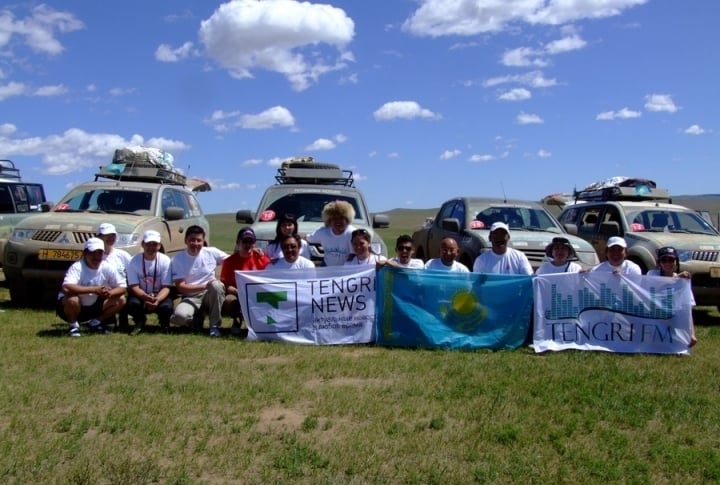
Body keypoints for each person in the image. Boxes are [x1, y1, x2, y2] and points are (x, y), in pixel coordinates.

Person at [57, 237, 127, 337]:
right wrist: (94, 290)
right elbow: (66, 287)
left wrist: (109, 293)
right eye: (92, 253)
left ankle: (95, 323)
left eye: (99, 253)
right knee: (72, 299)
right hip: (73, 306)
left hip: (94, 305)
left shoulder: (107, 267)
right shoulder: (77, 267)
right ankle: (73, 326)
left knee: (121, 299)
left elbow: (122, 287)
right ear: (85, 254)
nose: (96, 257)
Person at [170, 225, 228, 337]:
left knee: (216, 285)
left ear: (203, 241)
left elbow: (232, 261)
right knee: (180, 317)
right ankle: (194, 320)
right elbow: (181, 286)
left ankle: (214, 327)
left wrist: (251, 251)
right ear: (185, 240)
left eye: (199, 240)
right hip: (190, 297)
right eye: (192, 240)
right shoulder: (177, 259)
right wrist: (205, 286)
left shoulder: (212, 252)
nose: (195, 244)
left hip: (210, 295)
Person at [220, 227, 270, 335]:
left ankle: (262, 323)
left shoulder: (262, 259)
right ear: (238, 242)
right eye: (245, 241)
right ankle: (237, 319)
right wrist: (240, 292)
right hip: (238, 293)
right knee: (229, 300)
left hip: (258, 292)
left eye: (251, 241)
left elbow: (269, 278)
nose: (248, 244)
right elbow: (227, 285)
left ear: (254, 243)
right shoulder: (229, 262)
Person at [125, 230, 174, 334]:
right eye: (148, 244)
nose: (151, 247)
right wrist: (145, 297)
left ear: (159, 245)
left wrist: (157, 299)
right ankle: (139, 321)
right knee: (132, 304)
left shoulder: (166, 261)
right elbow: (134, 286)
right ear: (143, 244)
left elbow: (166, 286)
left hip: (159, 294)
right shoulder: (133, 261)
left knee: (167, 306)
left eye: (155, 244)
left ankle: (164, 323)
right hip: (141, 294)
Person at [648, 246, 697, 346]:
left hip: (673, 321)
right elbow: (656, 287)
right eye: (664, 260)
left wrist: (692, 334)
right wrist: (677, 278)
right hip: (653, 320)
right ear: (659, 263)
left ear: (676, 262)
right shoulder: (652, 274)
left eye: (671, 260)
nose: (667, 263)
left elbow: (687, 310)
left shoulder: (682, 282)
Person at [97, 222, 132, 329]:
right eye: (106, 235)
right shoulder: (94, 256)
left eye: (113, 235)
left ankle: (121, 317)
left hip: (119, 291)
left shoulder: (123, 255)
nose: (110, 238)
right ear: (99, 237)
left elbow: (131, 274)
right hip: (99, 292)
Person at [306, 200, 356, 266]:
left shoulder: (353, 233)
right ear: (329, 221)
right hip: (327, 267)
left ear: (347, 219)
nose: (338, 221)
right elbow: (307, 238)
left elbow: (354, 255)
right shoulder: (322, 232)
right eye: (335, 218)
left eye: (341, 218)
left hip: (346, 270)